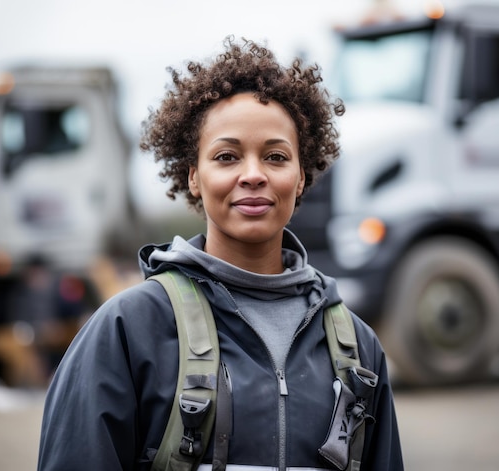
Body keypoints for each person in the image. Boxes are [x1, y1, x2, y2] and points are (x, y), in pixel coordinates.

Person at [37, 36, 403, 471]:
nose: (253, 175)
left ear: (301, 177)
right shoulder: (127, 329)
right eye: (227, 156)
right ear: (194, 177)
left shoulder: (360, 349)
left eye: (276, 156)